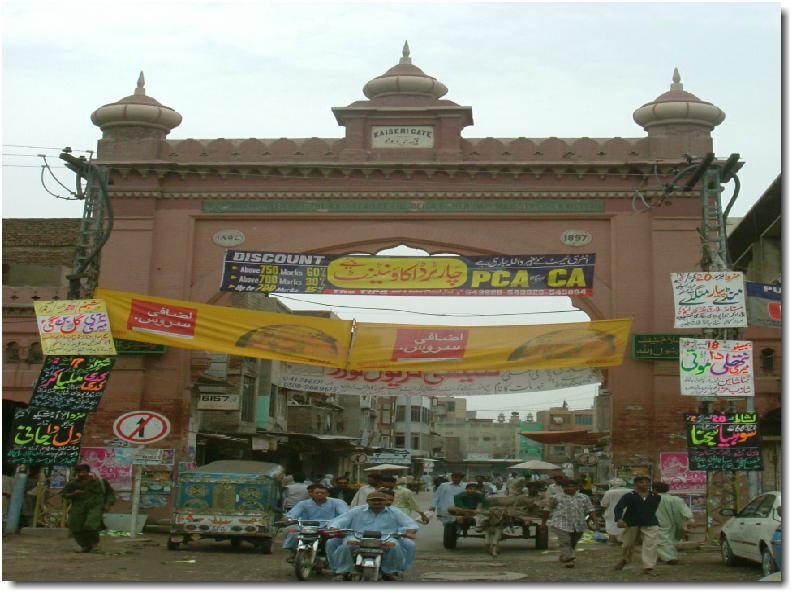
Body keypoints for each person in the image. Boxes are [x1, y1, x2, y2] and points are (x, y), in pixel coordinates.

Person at [326, 490, 419, 581]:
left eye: (380, 500)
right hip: (357, 537)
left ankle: (391, 572)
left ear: (386, 501)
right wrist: (334, 528)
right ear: (367, 501)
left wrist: (410, 531)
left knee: (395, 546)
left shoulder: (395, 511)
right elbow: (340, 520)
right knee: (346, 545)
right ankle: (343, 571)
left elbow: (410, 524)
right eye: (373, 500)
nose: (377, 502)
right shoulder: (357, 510)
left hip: (386, 538)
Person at [281, 483, 348, 562]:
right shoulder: (303, 504)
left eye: (322, 493)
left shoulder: (338, 503)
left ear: (327, 494)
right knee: (291, 530)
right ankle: (294, 551)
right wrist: (288, 519)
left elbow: (345, 515)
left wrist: (339, 523)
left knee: (336, 539)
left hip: (328, 528)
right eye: (317, 493)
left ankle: (330, 557)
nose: (319, 494)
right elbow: (293, 514)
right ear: (311, 494)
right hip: (306, 527)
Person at [60, 463, 115, 553]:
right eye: (78, 472)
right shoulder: (73, 483)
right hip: (78, 508)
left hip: (95, 506)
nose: (81, 474)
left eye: (83, 472)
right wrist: (73, 494)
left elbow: (109, 494)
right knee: (75, 527)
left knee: (90, 525)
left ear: (88, 472)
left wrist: (108, 504)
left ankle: (94, 545)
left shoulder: (100, 482)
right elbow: (64, 494)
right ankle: (85, 546)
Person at [613, 475, 661, 575]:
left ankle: (648, 567)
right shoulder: (629, 496)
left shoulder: (655, 496)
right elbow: (619, 508)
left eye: (647, 482)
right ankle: (625, 560)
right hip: (631, 522)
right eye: (641, 482)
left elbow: (653, 509)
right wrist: (619, 519)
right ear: (636, 484)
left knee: (650, 544)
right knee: (627, 544)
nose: (644, 484)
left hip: (650, 522)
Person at [548, 478, 598, 568]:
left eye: (573, 486)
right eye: (567, 486)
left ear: (577, 487)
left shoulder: (583, 497)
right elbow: (549, 509)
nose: (570, 488)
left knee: (573, 542)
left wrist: (595, 522)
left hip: (578, 524)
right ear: (563, 488)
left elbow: (590, 509)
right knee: (565, 541)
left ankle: (565, 555)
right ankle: (569, 559)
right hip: (560, 523)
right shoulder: (556, 497)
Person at [654, 481, 694, 565]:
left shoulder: (652, 499)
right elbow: (685, 510)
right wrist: (691, 520)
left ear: (655, 489)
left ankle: (670, 558)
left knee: (661, 541)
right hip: (674, 523)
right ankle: (663, 556)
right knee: (670, 540)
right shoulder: (676, 499)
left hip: (659, 522)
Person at [600, 478, 632, 544]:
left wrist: (602, 512)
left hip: (611, 513)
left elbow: (604, 504)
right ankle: (624, 541)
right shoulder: (631, 491)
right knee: (625, 527)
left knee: (612, 527)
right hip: (627, 512)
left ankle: (612, 541)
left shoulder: (609, 492)